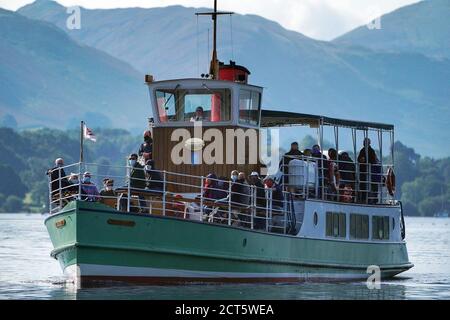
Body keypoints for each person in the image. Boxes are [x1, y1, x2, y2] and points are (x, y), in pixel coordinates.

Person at [357, 138, 380, 204]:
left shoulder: (371, 151)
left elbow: (373, 160)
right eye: (364, 142)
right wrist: (361, 160)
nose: (364, 143)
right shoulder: (363, 150)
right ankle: (365, 198)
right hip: (364, 171)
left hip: (370, 171)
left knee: (372, 185)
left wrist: (367, 162)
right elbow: (359, 159)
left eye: (365, 142)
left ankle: (373, 199)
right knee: (363, 185)